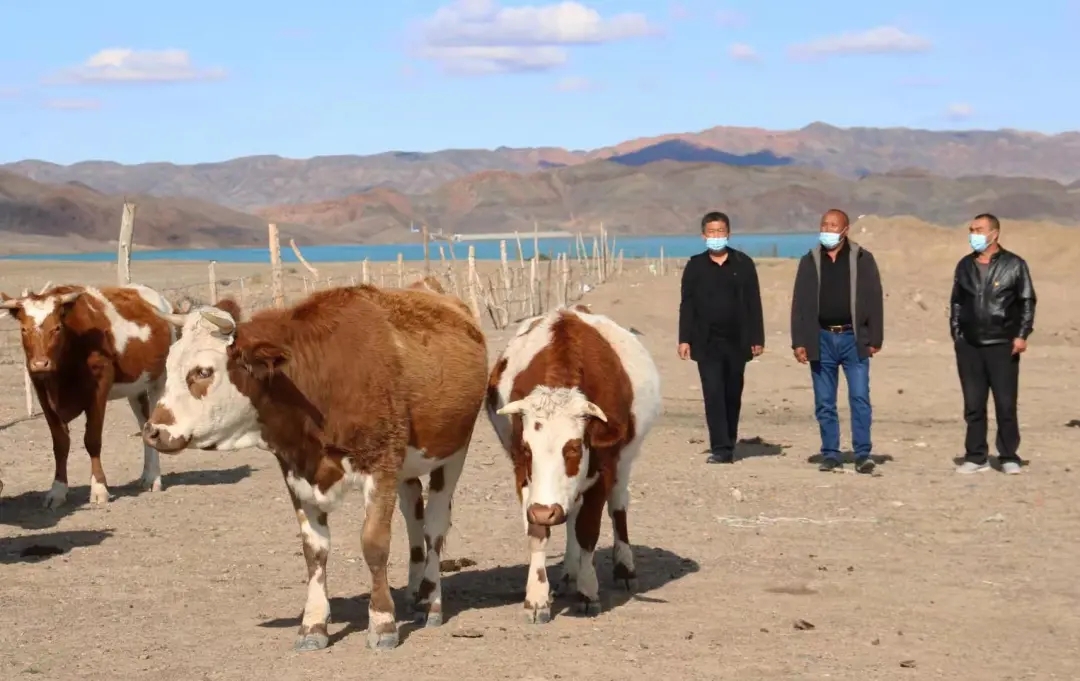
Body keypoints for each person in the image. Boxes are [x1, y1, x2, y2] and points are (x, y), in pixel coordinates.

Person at [790, 209, 884, 474]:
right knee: (824, 401)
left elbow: (874, 298)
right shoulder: (810, 261)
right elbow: (799, 303)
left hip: (853, 338)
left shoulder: (862, 259)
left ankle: (862, 454)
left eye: (833, 225)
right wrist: (799, 341)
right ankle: (830, 454)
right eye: (824, 225)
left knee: (859, 397)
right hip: (820, 338)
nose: (827, 230)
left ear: (845, 230)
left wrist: (875, 337)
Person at [950, 213, 1036, 475]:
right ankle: (976, 456)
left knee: (1005, 403)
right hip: (970, 345)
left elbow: (1027, 301)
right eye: (971, 229)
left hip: (1002, 344)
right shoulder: (965, 265)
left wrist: (1021, 334)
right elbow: (957, 302)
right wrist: (957, 334)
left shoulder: (1015, 265)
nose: (973, 234)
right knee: (973, 404)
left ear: (994, 233)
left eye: (979, 229)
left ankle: (1009, 455)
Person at [678, 211, 765, 464]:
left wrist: (757, 337)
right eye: (711, 232)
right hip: (706, 341)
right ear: (703, 236)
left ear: (728, 233)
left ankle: (730, 439)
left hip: (737, 340)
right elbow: (687, 304)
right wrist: (684, 338)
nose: (716, 236)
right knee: (713, 393)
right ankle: (721, 448)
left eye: (720, 231)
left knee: (732, 393)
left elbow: (753, 302)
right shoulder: (695, 266)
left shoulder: (743, 264)